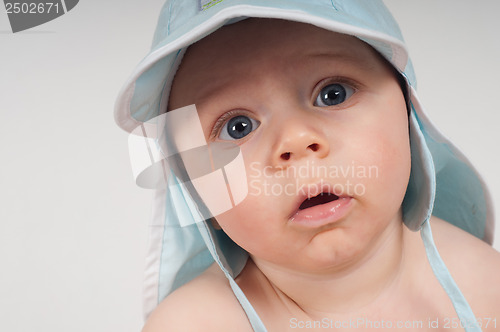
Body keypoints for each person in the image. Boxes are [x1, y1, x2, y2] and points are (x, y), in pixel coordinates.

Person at [115, 1, 500, 331]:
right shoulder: (196, 323)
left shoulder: (484, 286)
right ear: (197, 195)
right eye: (237, 127)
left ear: (409, 120)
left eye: (333, 94)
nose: (296, 140)